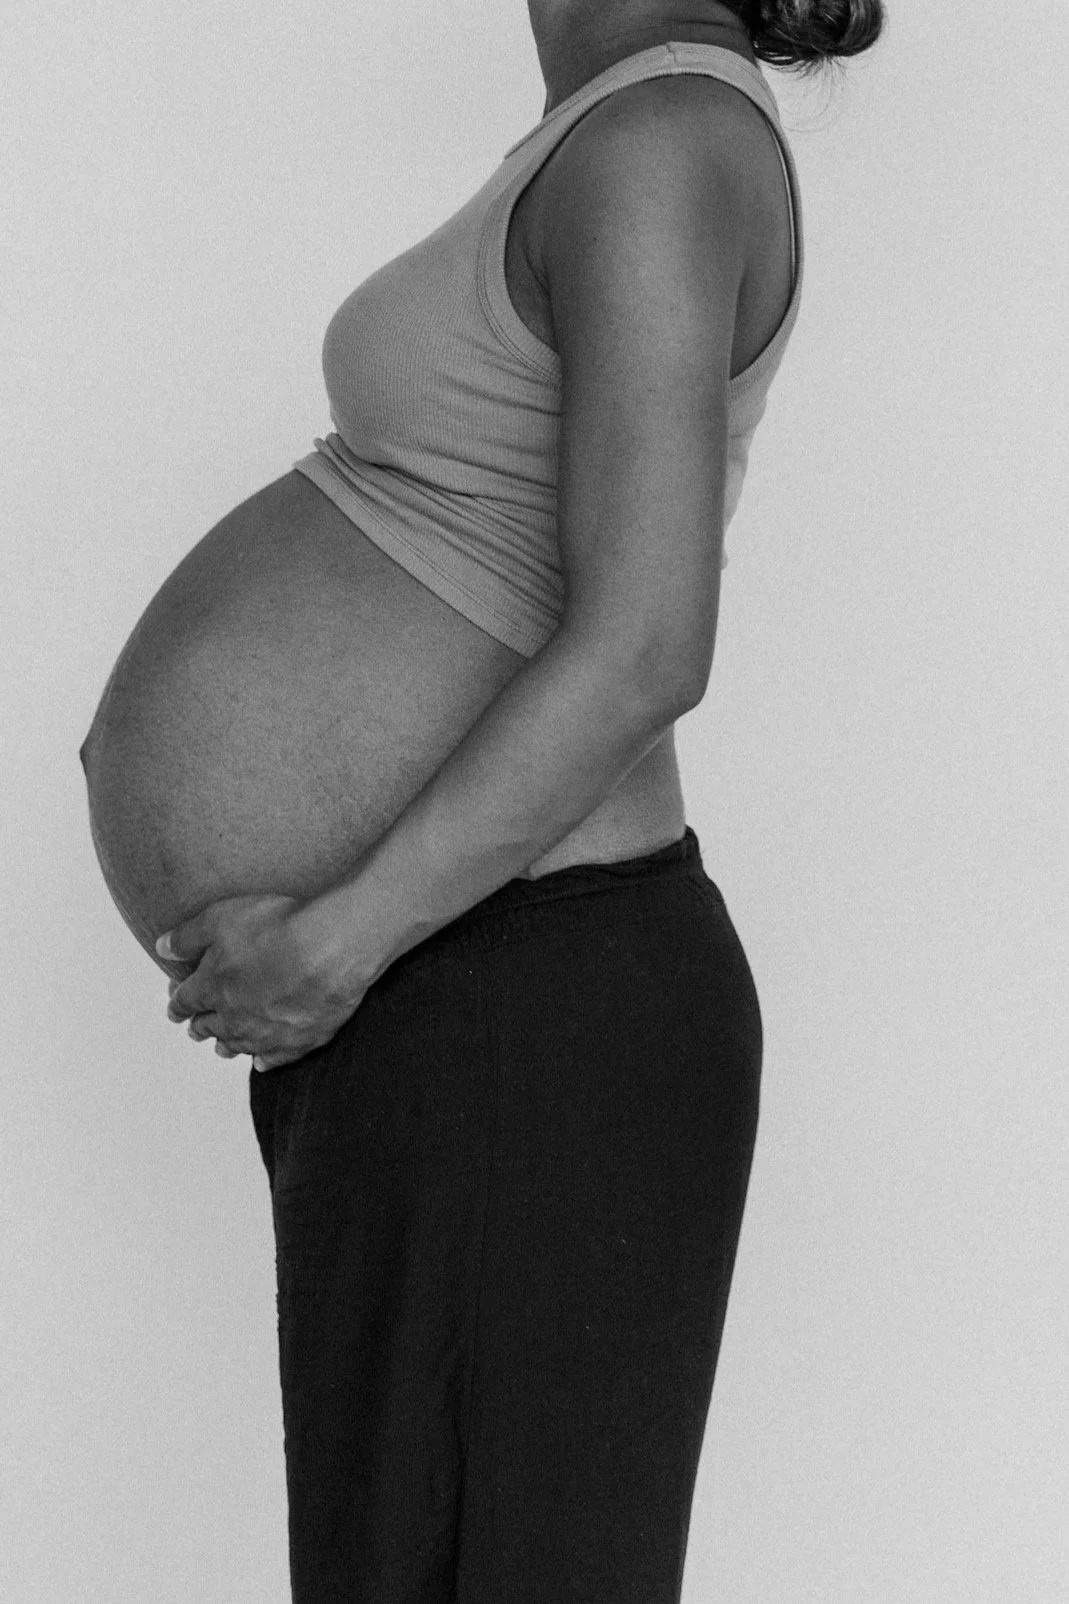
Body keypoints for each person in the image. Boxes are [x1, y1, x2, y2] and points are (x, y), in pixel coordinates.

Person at [80, 1, 884, 1597]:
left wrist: (342, 938)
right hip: (447, 998)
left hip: (516, 997)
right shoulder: (602, 133)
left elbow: (648, 645)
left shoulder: (658, 144)